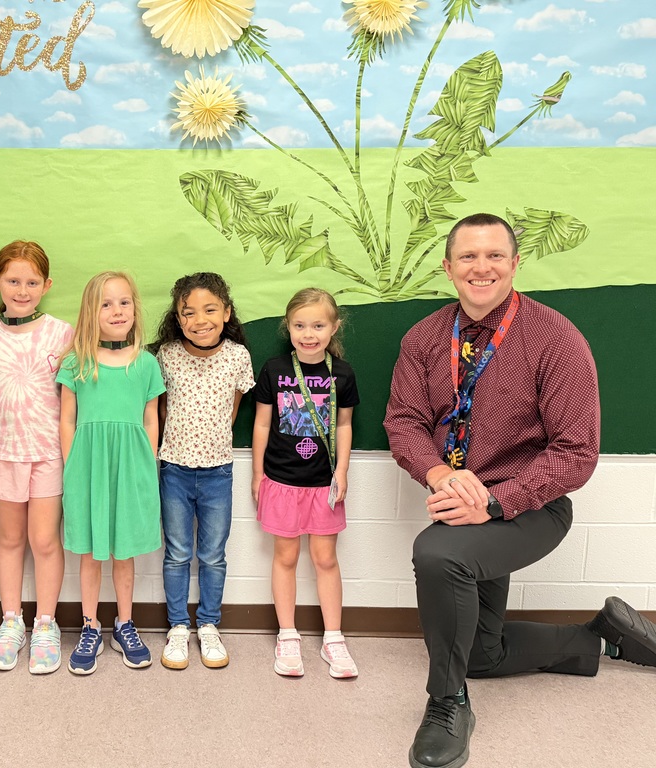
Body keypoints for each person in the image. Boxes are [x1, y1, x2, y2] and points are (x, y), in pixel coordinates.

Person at [385, 212, 656, 768]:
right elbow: (404, 421)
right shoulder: (423, 337)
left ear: (514, 264)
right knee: (481, 654)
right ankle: (600, 636)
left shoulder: (556, 338)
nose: (480, 267)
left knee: (437, 554)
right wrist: (439, 474)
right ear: (448, 268)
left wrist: (492, 502)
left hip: (531, 507)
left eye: (494, 256)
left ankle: (447, 702)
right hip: (463, 503)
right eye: (468, 256)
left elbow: (577, 452)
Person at [0, 241, 72, 674]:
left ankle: (45, 623)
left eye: (31, 282)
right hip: (2, 453)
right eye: (13, 280)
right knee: (10, 539)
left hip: (49, 455)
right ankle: (12, 622)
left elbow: (71, 400)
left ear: (47, 285)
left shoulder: (62, 333)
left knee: (44, 541)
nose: (22, 290)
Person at [57, 271, 165, 675]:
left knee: (124, 551)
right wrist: (73, 466)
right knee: (89, 553)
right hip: (88, 469)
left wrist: (147, 464)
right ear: (91, 312)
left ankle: (125, 624)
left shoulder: (146, 364)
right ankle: (90, 626)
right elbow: (67, 419)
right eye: (106, 304)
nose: (117, 311)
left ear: (135, 309)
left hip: (131, 468)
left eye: (124, 302)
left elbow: (151, 419)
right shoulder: (77, 363)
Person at [251, 288, 360, 679]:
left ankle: (334, 638)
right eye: (299, 326)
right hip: (281, 480)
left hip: (323, 483)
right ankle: (287, 635)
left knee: (325, 559)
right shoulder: (274, 369)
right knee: (285, 558)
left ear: (334, 327)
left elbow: (344, 425)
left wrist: (342, 471)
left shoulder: (342, 373)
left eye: (317, 326)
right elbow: (262, 423)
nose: (308, 334)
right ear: (288, 327)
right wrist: (257, 473)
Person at [149, 273, 254, 669]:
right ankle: (178, 627)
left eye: (209, 309)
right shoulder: (167, 355)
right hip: (174, 469)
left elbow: (233, 410)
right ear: (178, 319)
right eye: (188, 312)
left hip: (217, 471)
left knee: (212, 555)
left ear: (226, 312)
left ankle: (208, 625)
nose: (199, 319)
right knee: (177, 553)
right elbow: (161, 410)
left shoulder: (238, 357)